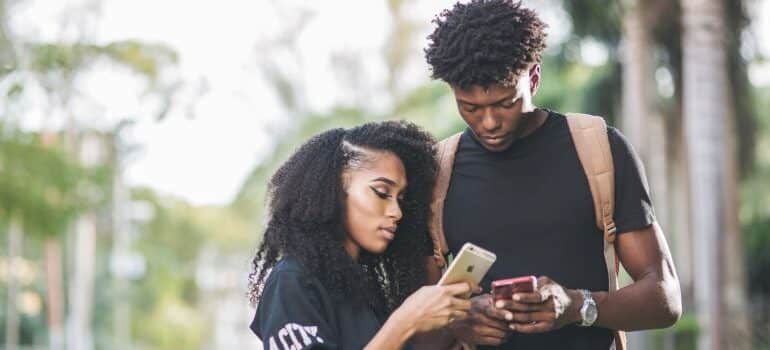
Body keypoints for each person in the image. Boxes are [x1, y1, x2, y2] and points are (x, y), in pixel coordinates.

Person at [421, 1, 683, 349]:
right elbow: (417, 335)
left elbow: (664, 298)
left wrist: (577, 306)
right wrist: (459, 321)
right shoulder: (438, 173)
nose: (489, 122)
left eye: (505, 103)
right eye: (470, 107)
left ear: (533, 77)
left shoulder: (599, 148)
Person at [247, 121, 478, 350]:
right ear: (335, 190)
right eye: (382, 192)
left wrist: (456, 321)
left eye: (401, 198)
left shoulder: (364, 287)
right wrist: (404, 322)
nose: (396, 212)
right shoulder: (292, 280)